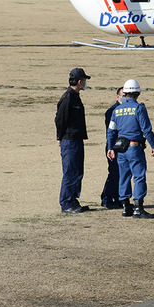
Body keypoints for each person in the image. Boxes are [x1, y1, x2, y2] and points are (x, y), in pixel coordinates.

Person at [107, 78, 154, 218]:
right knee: (139, 176)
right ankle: (138, 208)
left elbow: (111, 131)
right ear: (137, 93)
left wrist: (110, 147)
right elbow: (146, 129)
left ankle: (125, 207)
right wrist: (153, 145)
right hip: (135, 148)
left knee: (123, 176)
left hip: (120, 149)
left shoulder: (116, 110)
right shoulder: (139, 108)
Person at [55, 67, 91, 213]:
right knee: (70, 172)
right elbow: (60, 119)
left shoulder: (76, 96)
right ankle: (66, 203)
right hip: (69, 140)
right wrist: (59, 137)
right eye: (84, 80)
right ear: (79, 81)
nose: (85, 83)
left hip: (77, 139)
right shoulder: (68, 97)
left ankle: (73, 199)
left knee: (77, 171)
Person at [98, 86, 124, 209]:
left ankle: (118, 197)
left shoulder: (127, 109)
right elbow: (111, 132)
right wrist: (111, 148)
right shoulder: (111, 111)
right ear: (117, 97)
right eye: (123, 95)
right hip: (113, 146)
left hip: (123, 147)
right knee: (114, 173)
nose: (125, 97)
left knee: (121, 173)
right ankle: (106, 198)